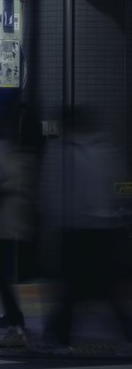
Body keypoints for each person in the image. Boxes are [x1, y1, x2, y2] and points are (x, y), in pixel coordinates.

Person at [41, 108, 132, 353]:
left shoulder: (63, 150)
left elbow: (54, 192)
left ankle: (57, 338)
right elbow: (119, 186)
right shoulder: (106, 148)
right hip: (104, 229)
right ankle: (59, 337)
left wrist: (53, 224)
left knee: (71, 289)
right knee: (107, 291)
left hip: (76, 230)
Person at [0, 97, 36, 348]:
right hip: (9, 224)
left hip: (1, 225)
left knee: (1, 278)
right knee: (2, 277)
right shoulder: (10, 150)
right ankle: (15, 319)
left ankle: (15, 327)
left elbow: (3, 185)